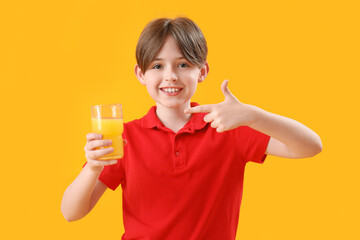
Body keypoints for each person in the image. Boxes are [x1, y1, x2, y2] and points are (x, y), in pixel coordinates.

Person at [61, 17, 322, 240]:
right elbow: (71, 212)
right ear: (141, 74)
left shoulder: (228, 126)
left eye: (183, 64)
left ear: (202, 71)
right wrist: (93, 168)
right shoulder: (125, 138)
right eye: (157, 65)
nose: (171, 75)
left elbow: (311, 146)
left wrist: (252, 115)